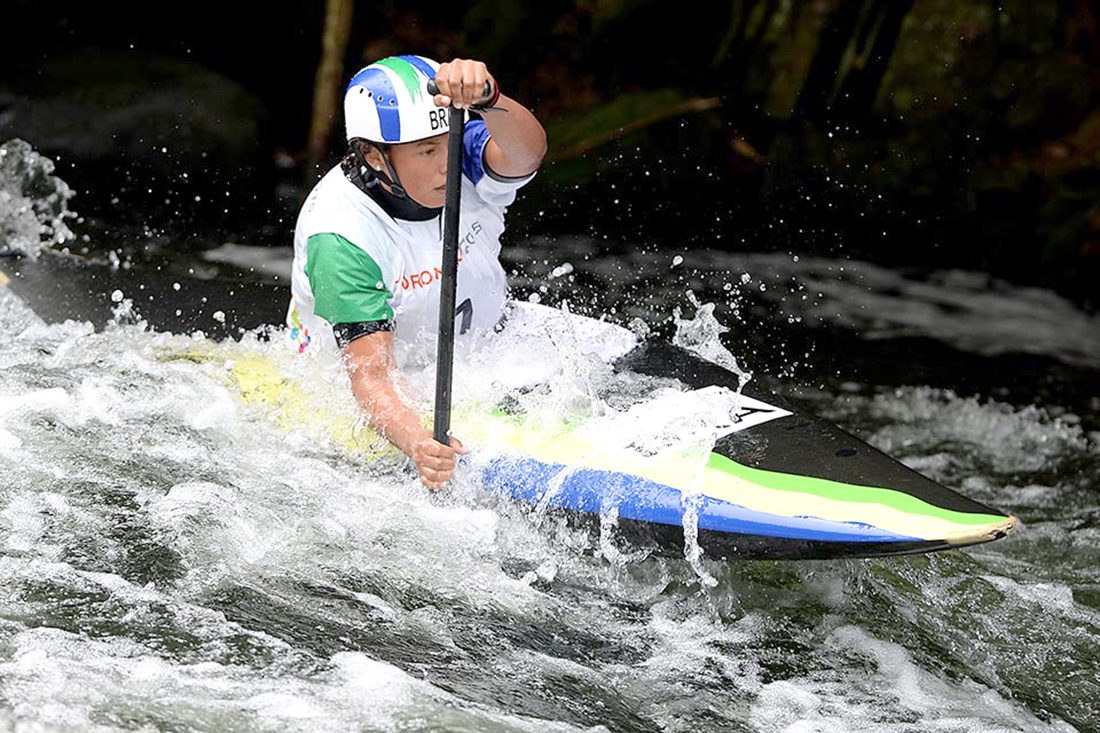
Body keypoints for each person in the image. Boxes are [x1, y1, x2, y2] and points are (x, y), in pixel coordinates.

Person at [286, 55, 547, 489]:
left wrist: (490, 98)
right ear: (372, 154)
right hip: (379, 385)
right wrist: (417, 443)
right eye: (427, 151)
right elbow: (372, 377)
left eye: (448, 142)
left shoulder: (460, 145)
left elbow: (528, 153)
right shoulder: (341, 237)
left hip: (490, 346)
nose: (448, 163)